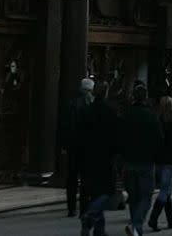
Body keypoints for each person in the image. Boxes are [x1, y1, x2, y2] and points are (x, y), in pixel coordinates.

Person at [117, 81, 163, 236]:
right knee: (146, 196)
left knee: (134, 196)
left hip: (129, 161)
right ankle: (136, 224)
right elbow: (159, 140)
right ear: (146, 98)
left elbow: (120, 138)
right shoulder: (151, 117)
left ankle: (136, 227)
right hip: (146, 161)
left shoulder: (126, 115)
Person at [76, 80, 118, 236]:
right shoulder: (110, 111)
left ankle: (99, 229)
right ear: (106, 93)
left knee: (95, 191)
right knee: (107, 191)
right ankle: (90, 214)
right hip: (105, 157)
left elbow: (80, 134)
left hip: (89, 156)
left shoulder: (87, 111)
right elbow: (115, 136)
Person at [60, 77, 94, 217]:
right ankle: (84, 208)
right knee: (85, 178)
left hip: (73, 146)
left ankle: (71, 207)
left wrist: (64, 144)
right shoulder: (90, 103)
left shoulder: (72, 103)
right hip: (86, 147)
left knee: (72, 178)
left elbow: (66, 125)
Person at [148, 95, 172, 231]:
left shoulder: (157, 121)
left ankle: (170, 219)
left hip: (159, 159)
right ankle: (153, 219)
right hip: (170, 160)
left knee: (167, 190)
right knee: (165, 190)